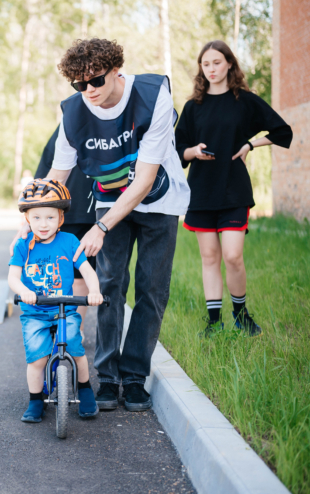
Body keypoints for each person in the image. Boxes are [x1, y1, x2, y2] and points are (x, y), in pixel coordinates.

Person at [16, 38, 190, 412]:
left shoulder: (151, 94)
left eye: (96, 81)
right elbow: (57, 176)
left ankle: (134, 376)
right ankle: (108, 378)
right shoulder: (74, 113)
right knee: (109, 285)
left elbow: (144, 179)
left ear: (116, 71)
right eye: (79, 85)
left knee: (151, 289)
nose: (88, 91)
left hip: (159, 200)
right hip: (110, 199)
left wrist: (102, 227)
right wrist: (30, 220)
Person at [175, 40, 292, 337]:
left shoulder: (245, 101)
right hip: (201, 191)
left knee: (232, 255)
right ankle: (214, 323)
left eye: (216, 62)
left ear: (229, 63)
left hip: (233, 190)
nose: (211, 69)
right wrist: (193, 152)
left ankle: (241, 314)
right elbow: (177, 150)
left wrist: (251, 144)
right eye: (205, 64)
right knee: (210, 257)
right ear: (201, 69)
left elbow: (282, 131)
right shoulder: (193, 107)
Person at [9, 179, 103, 423]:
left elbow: (88, 271)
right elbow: (13, 277)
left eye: (50, 218)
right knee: (37, 359)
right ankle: (35, 399)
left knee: (74, 347)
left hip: (65, 309)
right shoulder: (23, 245)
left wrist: (94, 290)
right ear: (27, 218)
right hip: (35, 312)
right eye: (37, 217)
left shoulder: (70, 241)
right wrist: (23, 291)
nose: (43, 224)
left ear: (61, 218)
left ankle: (84, 389)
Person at [11, 125, 97, 327]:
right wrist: (26, 223)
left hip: (96, 210)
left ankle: (76, 327)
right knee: (61, 269)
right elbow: (44, 175)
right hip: (60, 207)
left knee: (81, 273)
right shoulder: (70, 123)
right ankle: (47, 322)